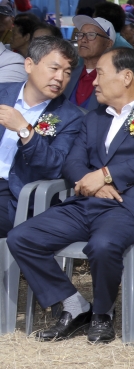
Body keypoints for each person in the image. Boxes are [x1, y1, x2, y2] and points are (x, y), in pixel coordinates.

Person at [8, 48, 134, 344]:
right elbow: (73, 162)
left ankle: (103, 313)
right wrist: (94, 182)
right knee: (22, 237)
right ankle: (74, 304)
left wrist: (105, 174)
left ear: (126, 76)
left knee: (103, 245)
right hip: (85, 201)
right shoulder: (93, 119)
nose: (94, 82)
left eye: (100, 74)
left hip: (128, 206)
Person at [0, 37, 85, 235]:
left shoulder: (70, 117)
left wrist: (25, 130)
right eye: (54, 69)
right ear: (29, 65)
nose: (60, 78)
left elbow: (55, 166)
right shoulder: (2, 94)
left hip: (14, 195)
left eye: (67, 72)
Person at [63, 15, 116, 109]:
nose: (83, 39)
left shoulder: (114, 80)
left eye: (91, 35)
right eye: (80, 34)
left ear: (108, 43)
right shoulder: (67, 75)